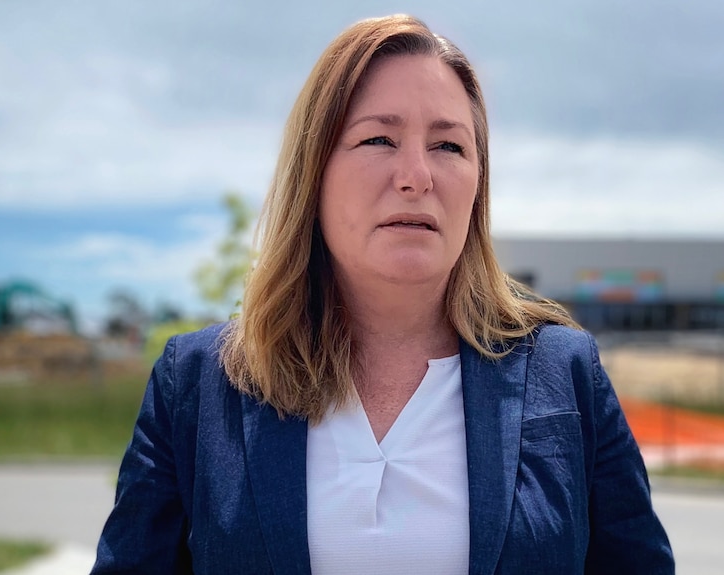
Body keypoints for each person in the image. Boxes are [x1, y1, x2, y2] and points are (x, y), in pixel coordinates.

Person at [91, 14, 674, 575]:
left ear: (478, 184)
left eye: (449, 146)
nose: (416, 175)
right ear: (313, 172)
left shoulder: (565, 372)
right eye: (379, 139)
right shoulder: (196, 385)